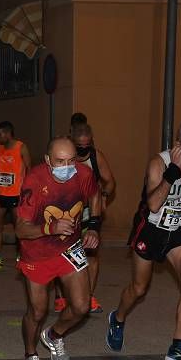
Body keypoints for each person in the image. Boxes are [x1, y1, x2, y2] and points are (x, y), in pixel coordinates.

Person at [106, 121, 181, 360]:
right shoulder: (159, 163)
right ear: (178, 145)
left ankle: (177, 346)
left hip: (179, 230)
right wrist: (173, 173)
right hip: (152, 230)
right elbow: (154, 203)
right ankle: (118, 317)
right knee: (138, 288)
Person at [16, 137, 103, 360]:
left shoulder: (84, 175)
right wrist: (49, 229)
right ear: (47, 160)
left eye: (71, 160)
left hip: (69, 248)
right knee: (37, 311)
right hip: (37, 252)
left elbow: (96, 196)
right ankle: (30, 354)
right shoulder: (34, 181)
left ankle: (53, 335)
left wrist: (93, 226)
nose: (67, 166)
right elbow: (20, 229)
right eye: (60, 161)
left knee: (82, 306)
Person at [69, 122, 116, 313]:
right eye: (79, 145)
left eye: (86, 145)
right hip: (66, 214)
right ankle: (61, 297)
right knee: (63, 255)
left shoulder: (96, 157)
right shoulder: (65, 157)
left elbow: (110, 182)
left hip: (90, 213)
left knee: (91, 255)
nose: (83, 149)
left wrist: (104, 196)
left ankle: (88, 296)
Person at [0, 121, 30, 271]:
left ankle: (22, 257)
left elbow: (29, 168)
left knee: (18, 227)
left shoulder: (21, 147)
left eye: (0, 134)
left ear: (8, 134)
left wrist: (27, 191)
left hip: (16, 194)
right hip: (1, 194)